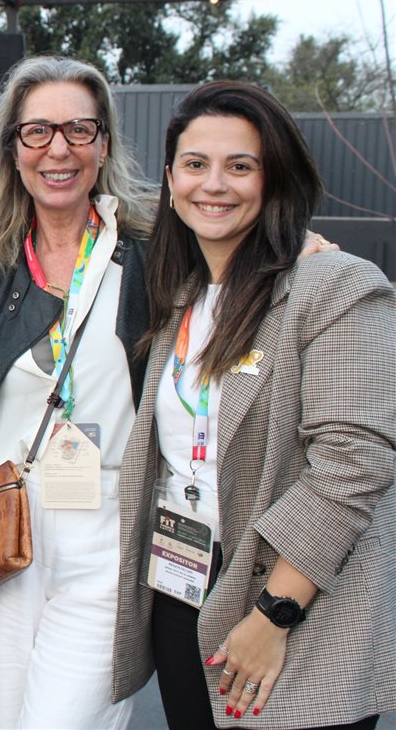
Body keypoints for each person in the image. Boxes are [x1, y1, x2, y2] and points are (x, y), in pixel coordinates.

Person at [112, 81, 396, 729]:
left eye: (240, 166)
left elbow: (354, 466)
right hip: (185, 588)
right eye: (195, 165)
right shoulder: (185, 294)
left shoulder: (333, 285)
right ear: (170, 178)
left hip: (294, 604)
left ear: (274, 179)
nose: (214, 184)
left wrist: (275, 614)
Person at [0, 55, 157, 729]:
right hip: (9, 525)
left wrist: (309, 252)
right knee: (15, 718)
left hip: (108, 525)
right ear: (13, 148)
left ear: (104, 143)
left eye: (78, 130)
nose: (57, 149)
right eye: (37, 132)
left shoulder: (151, 251)